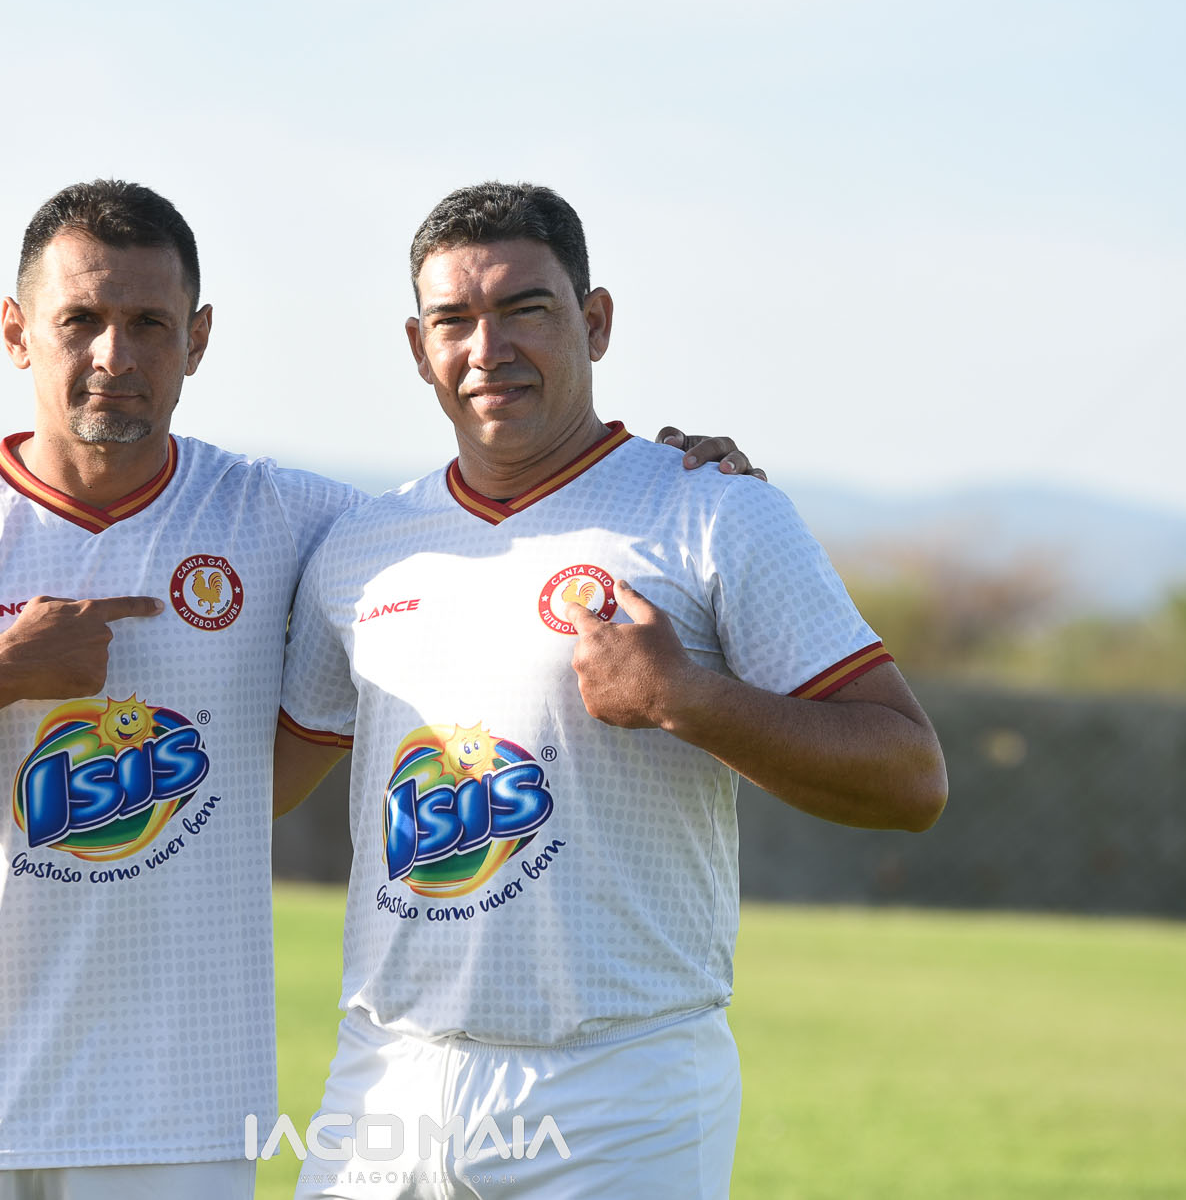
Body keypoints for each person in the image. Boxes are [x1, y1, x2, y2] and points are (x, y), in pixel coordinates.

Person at [0, 179, 755, 1200]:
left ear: (198, 339)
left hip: (175, 1123)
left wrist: (663, 481)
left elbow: (477, 531)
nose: (114, 355)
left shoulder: (290, 521)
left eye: (150, 323)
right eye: (80, 320)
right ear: (16, 332)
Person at [265, 182, 949, 1199]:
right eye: (453, 319)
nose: (487, 347)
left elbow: (910, 776)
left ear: (594, 321)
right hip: (386, 1079)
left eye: (525, 309)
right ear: (417, 346)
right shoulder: (362, 547)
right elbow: (254, 789)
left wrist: (686, 698)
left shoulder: (709, 510)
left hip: (616, 1087)